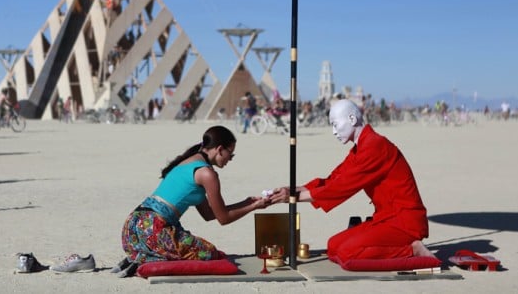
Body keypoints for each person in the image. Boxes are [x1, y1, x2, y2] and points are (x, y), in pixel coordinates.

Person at [270, 99, 435, 265]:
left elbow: (342, 187)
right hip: (385, 218)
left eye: (335, 124)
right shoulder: (361, 147)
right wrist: (292, 189)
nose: (334, 131)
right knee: (333, 246)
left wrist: (295, 197)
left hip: (404, 222)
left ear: (352, 119)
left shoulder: (375, 145)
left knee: (348, 253)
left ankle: (413, 249)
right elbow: (334, 179)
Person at [114, 125, 272, 277]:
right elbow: (224, 218)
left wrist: (247, 202)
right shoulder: (207, 174)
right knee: (209, 252)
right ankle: (144, 259)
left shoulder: (190, 162)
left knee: (197, 248)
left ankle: (140, 255)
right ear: (219, 149)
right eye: (230, 154)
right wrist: (254, 207)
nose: (230, 159)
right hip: (154, 229)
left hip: (133, 228)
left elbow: (209, 214)